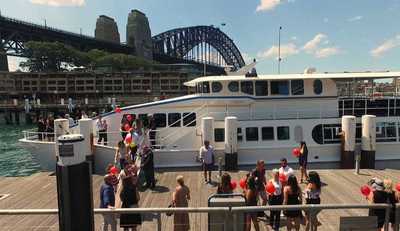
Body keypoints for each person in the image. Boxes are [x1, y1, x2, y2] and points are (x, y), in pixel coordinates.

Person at [119, 162, 142, 231]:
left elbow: (121, 197)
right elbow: (138, 198)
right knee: (132, 225)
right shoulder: (132, 183)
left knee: (127, 226)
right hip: (132, 204)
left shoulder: (126, 187)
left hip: (126, 205)